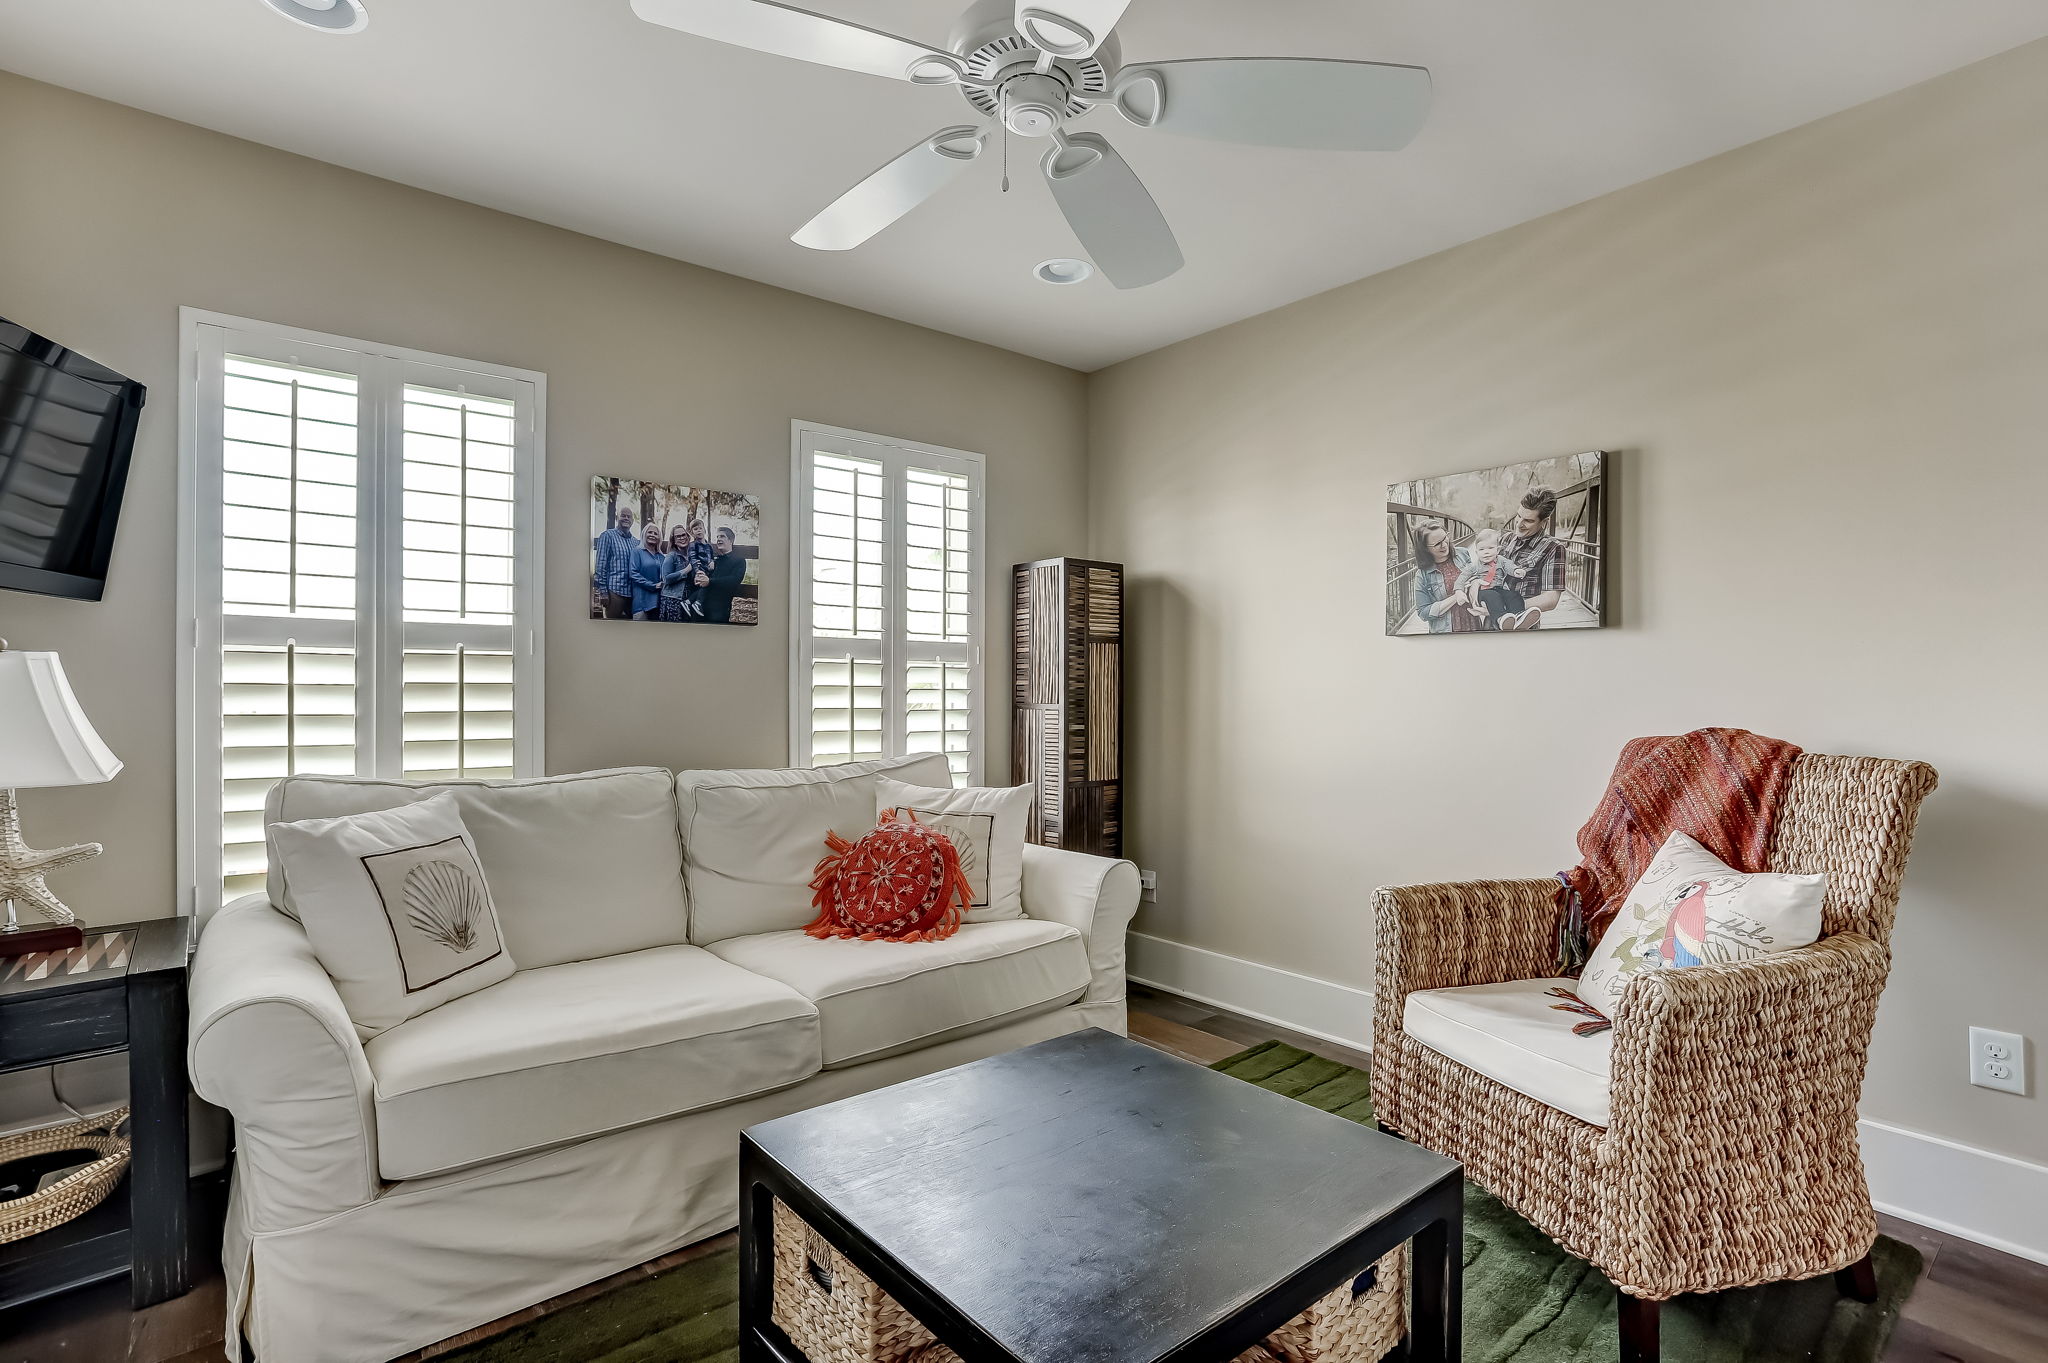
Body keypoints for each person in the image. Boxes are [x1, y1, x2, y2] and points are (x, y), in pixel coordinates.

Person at [1494, 486, 1566, 630]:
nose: (1519, 524)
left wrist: (1507, 606)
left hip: (1522, 627)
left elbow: (1551, 599)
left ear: (1544, 522)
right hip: (1490, 621)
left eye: (1528, 520)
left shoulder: (1553, 548)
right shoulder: (1506, 538)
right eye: (1518, 515)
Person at [1409, 519, 1479, 633]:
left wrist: (1475, 582)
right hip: (1446, 630)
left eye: (1445, 538)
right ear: (1425, 548)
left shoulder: (1462, 553)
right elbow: (1423, 612)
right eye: (1437, 544)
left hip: (1473, 622)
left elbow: (1474, 575)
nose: (1444, 544)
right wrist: (1456, 596)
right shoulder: (1422, 575)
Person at [1462, 528, 1526, 630]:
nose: (1486, 552)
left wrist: (1515, 570)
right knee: (1493, 596)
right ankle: (1501, 619)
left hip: (1498, 588)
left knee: (1513, 595)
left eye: (1490, 548)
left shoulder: (1501, 560)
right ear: (1476, 552)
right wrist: (1458, 591)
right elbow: (1463, 576)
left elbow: (1508, 565)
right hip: (1483, 591)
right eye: (1482, 549)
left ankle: (1518, 616)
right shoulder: (1475, 565)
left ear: (1498, 549)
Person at [661, 519, 715, 621]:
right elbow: (666, 579)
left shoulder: (692, 553)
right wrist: (686, 570)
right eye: (678, 536)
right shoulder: (671, 556)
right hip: (673, 599)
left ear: (687, 536)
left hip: (687, 599)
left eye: (683, 535)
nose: (682, 538)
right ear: (674, 540)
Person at [696, 526, 749, 624]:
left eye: (722, 536)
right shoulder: (715, 560)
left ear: (731, 540)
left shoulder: (739, 561)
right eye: (717, 537)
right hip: (701, 607)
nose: (718, 539)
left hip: (719, 609)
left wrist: (709, 581)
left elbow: (734, 580)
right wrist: (700, 575)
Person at [592, 506, 637, 618]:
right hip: (614, 592)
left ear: (632, 520)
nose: (626, 518)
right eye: (623, 515)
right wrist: (603, 592)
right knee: (610, 628)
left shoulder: (635, 542)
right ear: (617, 518)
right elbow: (600, 565)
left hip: (632, 594)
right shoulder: (607, 536)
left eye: (629, 516)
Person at [627, 522, 666, 621]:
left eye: (655, 533)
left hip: (659, 603)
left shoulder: (662, 557)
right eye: (650, 532)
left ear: (659, 538)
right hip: (641, 603)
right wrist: (653, 585)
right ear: (644, 534)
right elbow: (633, 574)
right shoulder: (637, 552)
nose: (652, 535)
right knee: (639, 635)